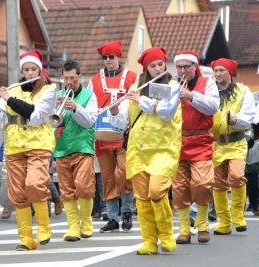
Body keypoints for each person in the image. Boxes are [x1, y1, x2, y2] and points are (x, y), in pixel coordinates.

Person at [110, 47, 181, 254]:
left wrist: (141, 100)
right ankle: (149, 240)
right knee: (142, 198)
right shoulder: (135, 87)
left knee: (157, 191)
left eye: (160, 64)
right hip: (138, 149)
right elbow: (125, 119)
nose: (158, 68)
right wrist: (115, 110)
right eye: (153, 66)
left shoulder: (173, 86)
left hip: (163, 149)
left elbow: (167, 112)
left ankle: (166, 234)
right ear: (146, 69)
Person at [0, 50, 56, 251]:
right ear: (22, 72)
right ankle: (26, 238)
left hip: (38, 144)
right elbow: (1, 121)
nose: (30, 73)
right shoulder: (13, 90)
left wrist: (8, 98)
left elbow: (35, 114)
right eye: (27, 70)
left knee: (34, 185)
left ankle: (44, 227)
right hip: (14, 146)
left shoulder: (49, 90)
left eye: (34, 69)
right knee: (17, 193)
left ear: (39, 71)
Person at [87, 40, 137, 232]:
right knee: (107, 176)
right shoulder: (94, 80)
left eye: (111, 57)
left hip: (125, 133)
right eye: (105, 57)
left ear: (118, 57)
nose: (108, 60)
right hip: (102, 133)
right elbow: (91, 107)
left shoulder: (132, 77)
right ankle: (113, 217)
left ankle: (126, 211)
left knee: (123, 172)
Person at [171, 51, 220, 245]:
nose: (183, 71)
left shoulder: (207, 83)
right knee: (179, 187)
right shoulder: (172, 84)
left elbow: (213, 107)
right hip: (176, 142)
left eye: (187, 67)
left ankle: (201, 224)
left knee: (201, 184)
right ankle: (184, 228)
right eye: (180, 67)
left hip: (200, 140)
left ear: (194, 66)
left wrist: (191, 96)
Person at [53, 60, 97, 241]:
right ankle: (73, 227)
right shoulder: (58, 95)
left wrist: (76, 107)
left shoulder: (89, 96)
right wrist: (58, 108)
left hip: (82, 147)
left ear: (79, 77)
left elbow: (89, 121)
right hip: (62, 148)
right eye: (66, 78)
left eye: (72, 78)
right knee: (67, 190)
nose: (69, 82)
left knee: (84, 187)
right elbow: (52, 122)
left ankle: (86, 222)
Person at [210, 58, 256, 234]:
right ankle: (224, 222)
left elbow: (249, 114)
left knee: (236, 177)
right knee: (218, 184)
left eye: (222, 70)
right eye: (216, 70)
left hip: (236, 142)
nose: (218, 74)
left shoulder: (242, 90)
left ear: (230, 73)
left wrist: (237, 120)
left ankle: (238, 216)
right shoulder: (210, 91)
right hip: (215, 144)